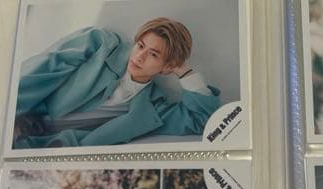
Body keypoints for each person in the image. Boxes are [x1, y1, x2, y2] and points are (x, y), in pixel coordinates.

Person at [13, 17, 221, 148]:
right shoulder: (99, 44)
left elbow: (202, 121)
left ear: (166, 67)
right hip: (18, 114)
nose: (139, 57)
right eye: (140, 46)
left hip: (40, 147)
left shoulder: (154, 108)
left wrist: (184, 72)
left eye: (153, 55)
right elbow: (40, 71)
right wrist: (6, 115)